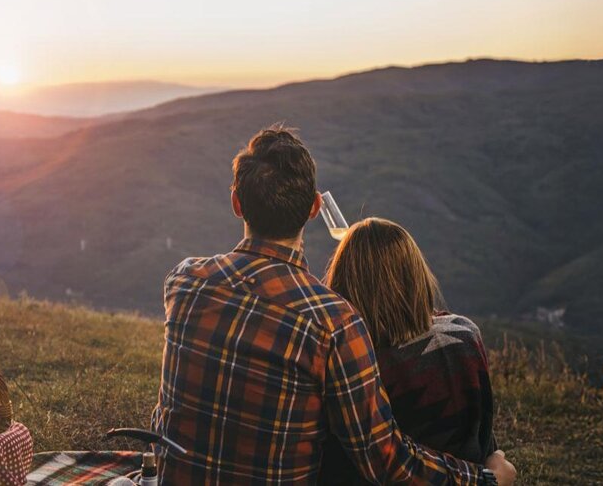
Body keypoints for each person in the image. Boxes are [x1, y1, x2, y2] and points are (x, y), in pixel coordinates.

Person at [152, 125, 516, 485]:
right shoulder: (335, 323)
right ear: (315, 207)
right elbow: (385, 460)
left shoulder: (183, 282)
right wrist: (484, 479)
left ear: (236, 203)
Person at [318, 218, 498, 484]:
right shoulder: (464, 334)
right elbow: (483, 429)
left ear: (343, 283)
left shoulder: (358, 363)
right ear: (416, 274)